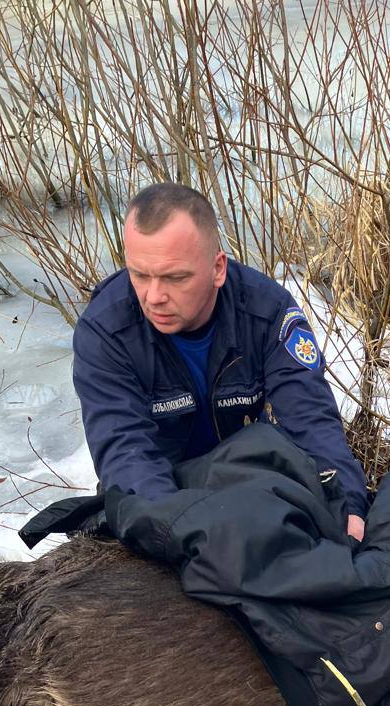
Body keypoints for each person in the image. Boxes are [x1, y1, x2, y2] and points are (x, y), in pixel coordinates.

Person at [72, 182, 368, 540]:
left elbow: (311, 421)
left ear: (217, 268)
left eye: (175, 277)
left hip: (242, 476)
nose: (154, 297)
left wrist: (349, 505)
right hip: (156, 492)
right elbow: (124, 451)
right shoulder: (104, 330)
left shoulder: (267, 312)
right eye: (140, 274)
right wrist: (183, 530)